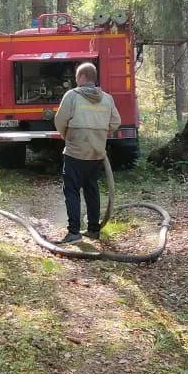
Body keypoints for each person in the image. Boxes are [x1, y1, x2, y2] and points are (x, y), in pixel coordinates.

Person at [53, 62, 121, 243]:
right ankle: (93, 229)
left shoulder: (72, 96)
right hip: (96, 153)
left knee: (72, 190)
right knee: (92, 189)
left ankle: (74, 232)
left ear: (82, 78)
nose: (75, 80)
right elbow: (115, 123)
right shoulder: (107, 98)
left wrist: (65, 135)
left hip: (75, 151)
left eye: (77, 77)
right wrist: (99, 133)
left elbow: (60, 120)